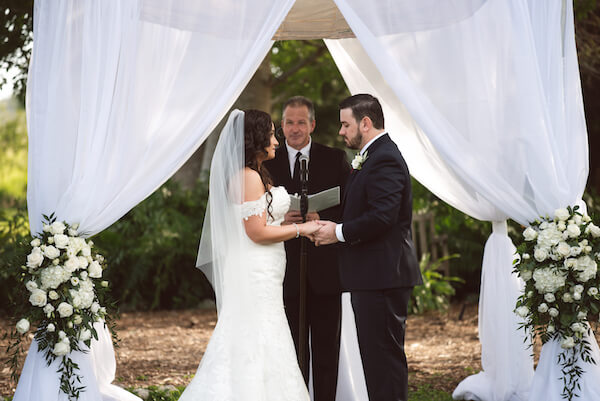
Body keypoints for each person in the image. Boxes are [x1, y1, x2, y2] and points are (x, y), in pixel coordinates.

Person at [181, 109, 321, 401]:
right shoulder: (247, 177)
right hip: (253, 271)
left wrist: (290, 222)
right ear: (255, 139)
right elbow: (256, 233)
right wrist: (301, 230)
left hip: (264, 271)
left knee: (263, 332)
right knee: (254, 332)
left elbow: (261, 222)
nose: (277, 141)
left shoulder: (256, 174)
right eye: (271, 133)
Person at [310, 94, 423, 401]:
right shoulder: (372, 156)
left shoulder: (384, 157)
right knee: (375, 361)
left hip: (383, 278)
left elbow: (383, 216)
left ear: (366, 122)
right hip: (373, 277)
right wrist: (327, 222)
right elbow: (363, 208)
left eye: (345, 124)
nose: (341, 132)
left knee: (384, 361)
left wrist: (339, 232)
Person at [264, 96, 350, 401]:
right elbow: (254, 212)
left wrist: (323, 218)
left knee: (327, 347)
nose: (295, 129)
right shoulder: (266, 163)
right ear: (281, 125)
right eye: (289, 122)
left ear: (312, 124)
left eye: (302, 122)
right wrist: (280, 216)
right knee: (291, 349)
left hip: (326, 269)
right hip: (283, 270)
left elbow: (351, 208)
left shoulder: (335, 158)